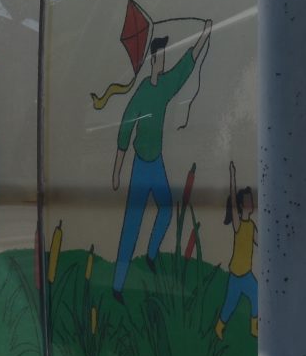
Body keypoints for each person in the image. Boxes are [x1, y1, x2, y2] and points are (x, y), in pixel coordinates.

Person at [107, 18, 209, 294]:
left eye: (164, 57)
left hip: (157, 163)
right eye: (161, 57)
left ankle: (151, 255)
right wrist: (117, 171)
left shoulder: (164, 86)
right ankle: (117, 285)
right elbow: (125, 129)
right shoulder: (143, 92)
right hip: (141, 165)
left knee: (166, 209)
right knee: (132, 224)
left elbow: (185, 67)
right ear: (153, 60)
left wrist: (205, 33)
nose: (164, 61)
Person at [216, 170, 258, 338]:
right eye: (248, 200)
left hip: (246, 274)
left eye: (251, 200)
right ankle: (219, 326)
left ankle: (254, 326)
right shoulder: (238, 224)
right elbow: (233, 201)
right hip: (236, 274)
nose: (251, 203)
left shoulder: (252, 226)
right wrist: (233, 178)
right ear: (241, 205)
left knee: (257, 295)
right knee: (229, 304)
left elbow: (262, 242)